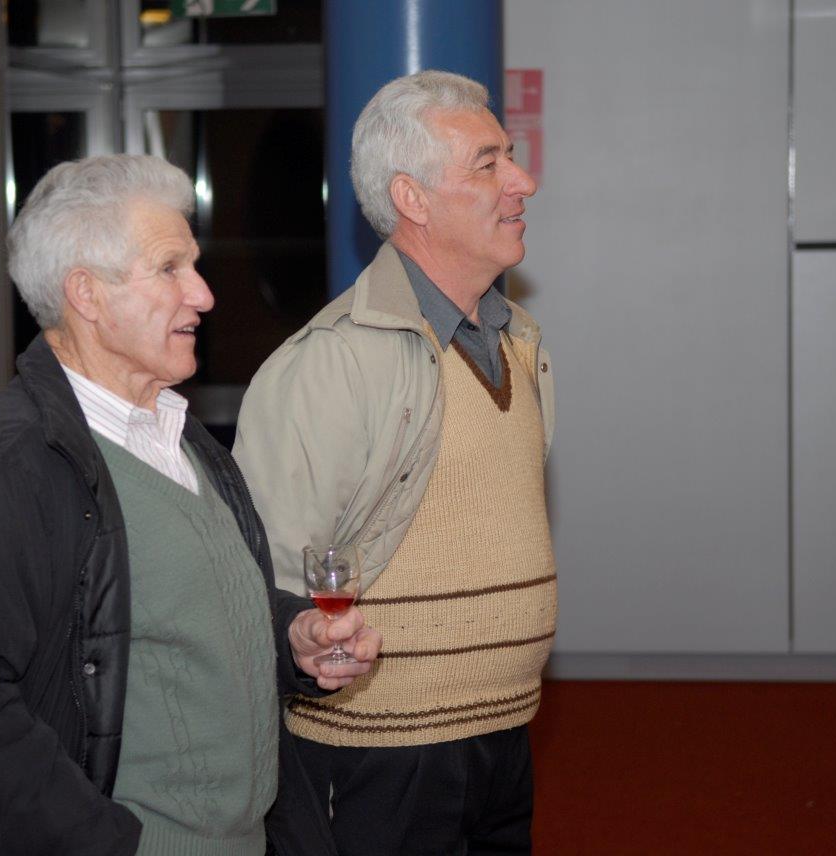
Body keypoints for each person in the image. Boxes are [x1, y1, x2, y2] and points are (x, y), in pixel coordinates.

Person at [0, 154, 380, 856]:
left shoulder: (179, 438)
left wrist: (290, 637)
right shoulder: (9, 470)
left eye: (194, 267)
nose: (203, 295)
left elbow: (174, 608)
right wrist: (98, 842)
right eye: (169, 269)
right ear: (87, 295)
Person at [233, 70, 557, 854]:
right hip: (379, 750)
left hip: (504, 732)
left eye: (511, 157)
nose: (523, 182)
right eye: (488, 164)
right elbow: (255, 574)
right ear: (412, 198)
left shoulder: (520, 340)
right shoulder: (331, 361)